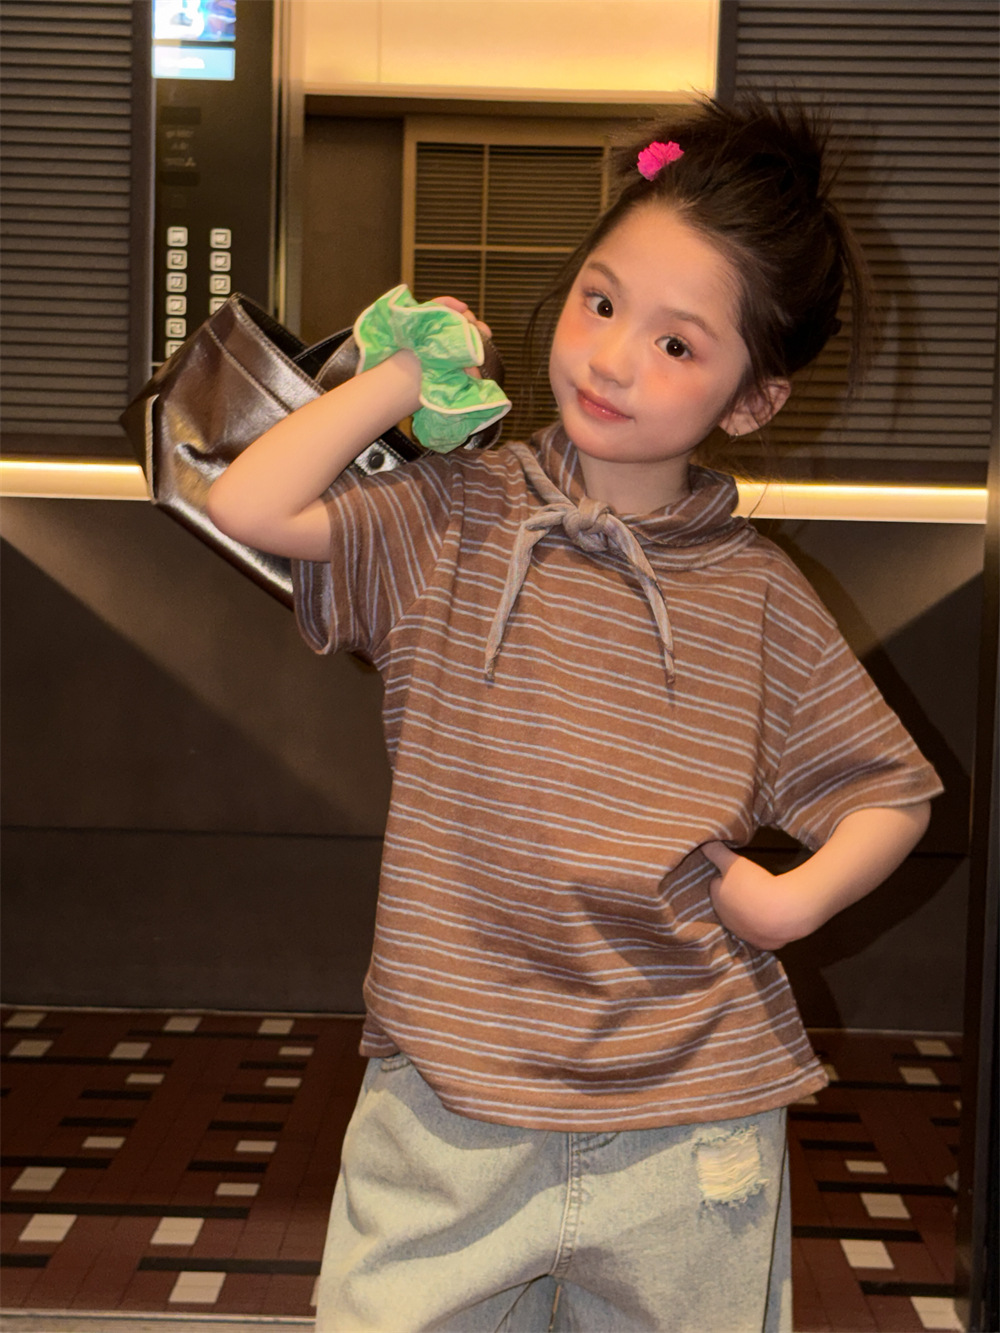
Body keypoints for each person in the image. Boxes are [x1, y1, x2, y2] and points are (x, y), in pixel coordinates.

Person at [207, 96, 942, 1333]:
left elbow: (891, 794)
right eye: (600, 303)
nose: (611, 359)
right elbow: (249, 505)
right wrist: (400, 377)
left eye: (676, 343)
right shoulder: (452, 516)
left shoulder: (758, 594)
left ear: (752, 400)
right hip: (448, 1104)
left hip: (689, 1121)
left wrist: (792, 900)